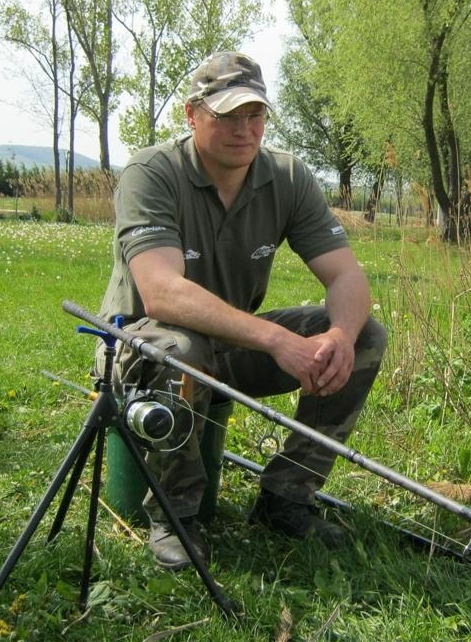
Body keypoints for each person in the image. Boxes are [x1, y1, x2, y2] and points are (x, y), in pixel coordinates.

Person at [96, 51, 387, 570]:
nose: (243, 130)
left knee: (365, 336)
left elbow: (346, 275)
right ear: (192, 115)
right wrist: (276, 340)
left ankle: (287, 497)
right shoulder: (152, 172)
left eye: (254, 115)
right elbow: (162, 291)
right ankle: (176, 515)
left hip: (230, 347)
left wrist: (339, 336)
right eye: (226, 116)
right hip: (141, 347)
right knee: (181, 351)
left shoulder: (287, 177)